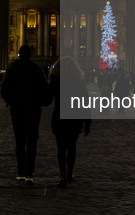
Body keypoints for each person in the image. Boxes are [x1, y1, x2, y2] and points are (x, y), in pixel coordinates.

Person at [0, 45, 50, 185]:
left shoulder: (12, 69)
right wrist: (41, 102)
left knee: (20, 142)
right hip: (33, 110)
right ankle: (29, 173)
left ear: (19, 54)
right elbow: (44, 90)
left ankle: (20, 171)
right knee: (32, 142)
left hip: (17, 111)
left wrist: (11, 102)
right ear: (32, 54)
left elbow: (3, 90)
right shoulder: (36, 69)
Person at [48, 57, 91, 188]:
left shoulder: (55, 81)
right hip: (75, 117)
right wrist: (87, 121)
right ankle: (69, 174)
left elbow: (47, 98)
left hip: (59, 117)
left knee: (60, 148)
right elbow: (85, 102)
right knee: (71, 147)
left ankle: (62, 176)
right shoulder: (79, 81)